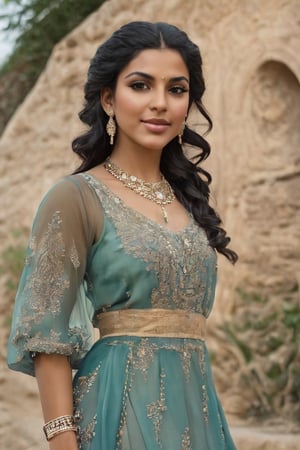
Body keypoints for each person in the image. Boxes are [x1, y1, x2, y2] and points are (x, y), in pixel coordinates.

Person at [7, 21, 238, 450]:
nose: (159, 104)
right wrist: (62, 441)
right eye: (140, 85)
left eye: (176, 89)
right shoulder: (75, 197)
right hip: (116, 409)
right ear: (109, 99)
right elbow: (47, 336)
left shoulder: (190, 201)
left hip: (199, 412)